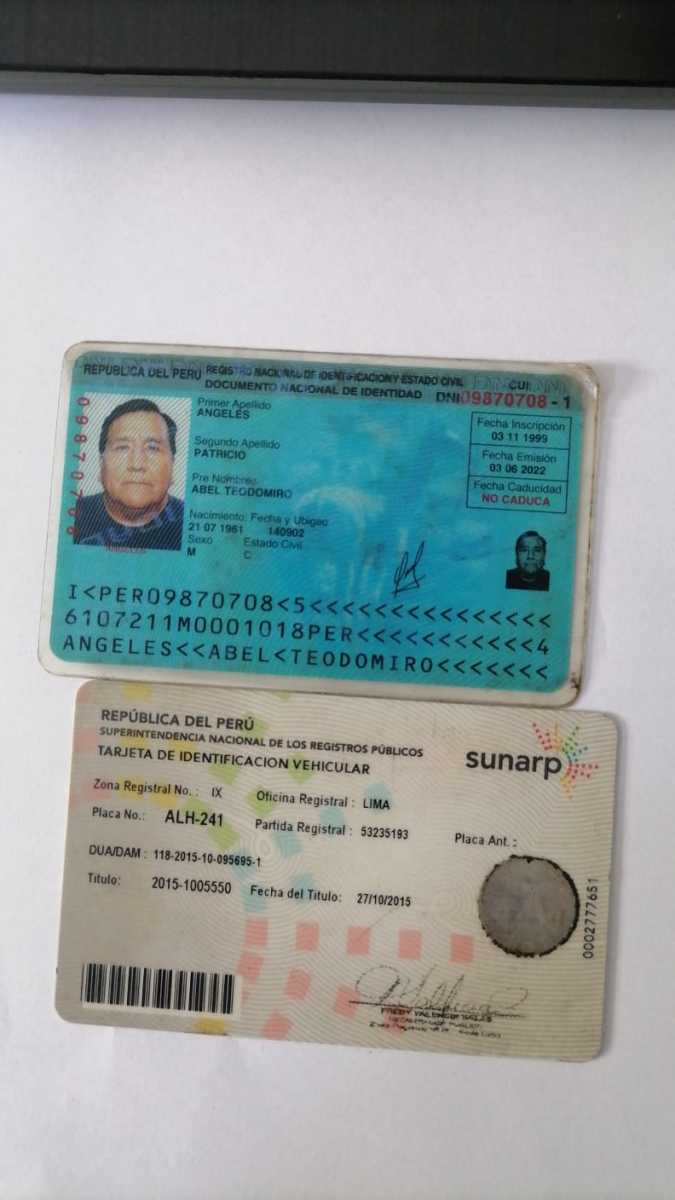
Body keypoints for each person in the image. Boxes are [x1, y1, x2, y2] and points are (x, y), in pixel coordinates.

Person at [74, 399, 184, 549]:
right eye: (122, 448)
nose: (137, 465)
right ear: (101, 464)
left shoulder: (189, 522)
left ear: (172, 464)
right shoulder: (72, 516)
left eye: (152, 448)